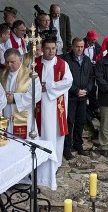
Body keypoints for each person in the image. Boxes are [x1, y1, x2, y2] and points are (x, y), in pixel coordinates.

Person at [35, 38, 73, 167]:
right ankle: (39, 162)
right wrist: (40, 87)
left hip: (57, 106)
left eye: (53, 48)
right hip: (38, 105)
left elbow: (68, 81)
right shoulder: (35, 64)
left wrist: (49, 86)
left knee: (55, 133)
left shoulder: (62, 64)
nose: (51, 51)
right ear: (42, 49)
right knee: (40, 132)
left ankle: (55, 163)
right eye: (47, 48)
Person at [61, 38, 95, 159]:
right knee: (69, 122)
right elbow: (63, 79)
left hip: (83, 96)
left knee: (80, 121)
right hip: (71, 96)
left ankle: (78, 144)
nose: (79, 49)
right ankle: (66, 147)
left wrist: (87, 89)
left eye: (81, 47)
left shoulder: (86, 60)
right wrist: (76, 91)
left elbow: (91, 77)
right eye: (77, 47)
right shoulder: (66, 59)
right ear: (72, 46)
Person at [0, 48, 42, 139]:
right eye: (7, 62)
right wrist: (3, 97)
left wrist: (14, 98)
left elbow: (36, 95)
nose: (9, 65)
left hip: (23, 117)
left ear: (20, 60)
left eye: (12, 62)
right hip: (5, 115)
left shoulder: (31, 75)